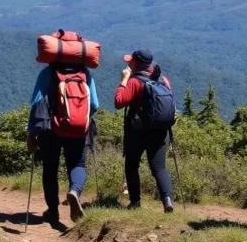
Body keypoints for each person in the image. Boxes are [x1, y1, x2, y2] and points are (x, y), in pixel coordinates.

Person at [27, 62, 99, 224]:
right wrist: (79, 118)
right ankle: (75, 191)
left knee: (50, 168)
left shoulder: (48, 73)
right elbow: (94, 104)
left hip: (50, 129)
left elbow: (36, 103)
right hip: (78, 129)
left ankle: (53, 211)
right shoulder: (84, 73)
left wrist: (31, 132)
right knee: (78, 164)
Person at [114, 49, 175, 212]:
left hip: (137, 131)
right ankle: (167, 200)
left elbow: (119, 102)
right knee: (159, 168)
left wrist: (123, 81)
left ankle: (135, 203)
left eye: (130, 60)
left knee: (132, 165)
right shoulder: (162, 79)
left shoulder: (134, 82)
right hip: (160, 131)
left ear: (137, 63)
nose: (128, 63)